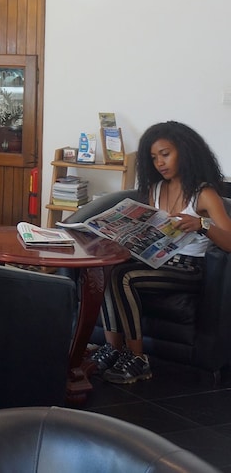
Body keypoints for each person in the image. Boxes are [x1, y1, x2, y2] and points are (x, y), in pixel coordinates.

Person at [91, 121, 231, 384]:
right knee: (106, 270)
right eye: (154, 158)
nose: (159, 163)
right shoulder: (155, 190)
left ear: (185, 152)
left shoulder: (204, 194)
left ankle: (138, 359)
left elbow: (229, 241)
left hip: (189, 268)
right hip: (157, 261)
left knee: (124, 277)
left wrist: (202, 225)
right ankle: (113, 350)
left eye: (165, 154)